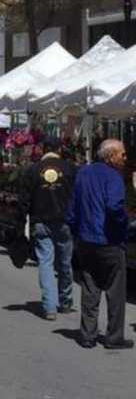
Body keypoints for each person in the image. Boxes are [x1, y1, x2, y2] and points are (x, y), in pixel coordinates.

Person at [66, 138, 133, 350]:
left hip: (86, 240)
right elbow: (114, 207)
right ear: (111, 156)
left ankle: (87, 334)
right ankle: (113, 337)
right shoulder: (114, 177)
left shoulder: (84, 172)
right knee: (115, 290)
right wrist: (124, 225)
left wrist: (77, 232)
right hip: (108, 240)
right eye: (122, 154)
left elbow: (72, 207)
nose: (125, 158)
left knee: (90, 287)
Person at [17, 136, 75, 320]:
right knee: (65, 263)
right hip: (65, 221)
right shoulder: (70, 169)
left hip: (41, 220)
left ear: (43, 149)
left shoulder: (32, 170)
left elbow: (23, 200)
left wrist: (20, 222)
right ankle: (65, 301)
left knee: (45, 263)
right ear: (59, 149)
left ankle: (49, 306)